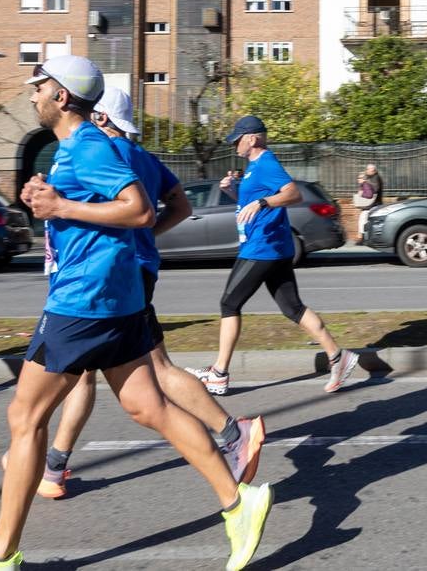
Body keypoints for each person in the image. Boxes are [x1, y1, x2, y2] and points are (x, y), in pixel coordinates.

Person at [0, 56, 271, 571]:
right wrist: (44, 199)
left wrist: (61, 208)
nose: (32, 95)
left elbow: (137, 208)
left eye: (39, 87)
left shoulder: (89, 145)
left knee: (24, 418)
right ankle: (237, 502)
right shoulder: (78, 148)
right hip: (116, 299)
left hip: (82, 304)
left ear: (62, 96)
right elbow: (98, 211)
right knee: (148, 407)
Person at [15, 86, 265, 500]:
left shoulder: (101, 152)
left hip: (106, 282)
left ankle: (231, 434)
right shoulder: (144, 158)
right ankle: (53, 466)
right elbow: (177, 207)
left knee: (138, 379)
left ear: (99, 117)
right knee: (123, 379)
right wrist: (148, 235)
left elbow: (129, 209)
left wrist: (61, 203)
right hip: (131, 274)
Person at [189, 115, 360, 396]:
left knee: (229, 303)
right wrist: (234, 192)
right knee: (292, 308)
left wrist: (263, 200)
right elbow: (252, 205)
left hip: (262, 249)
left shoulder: (267, 163)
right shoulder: (254, 167)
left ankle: (219, 373)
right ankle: (338, 357)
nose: (234, 145)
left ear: (253, 138)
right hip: (274, 248)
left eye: (238, 139)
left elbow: (293, 194)